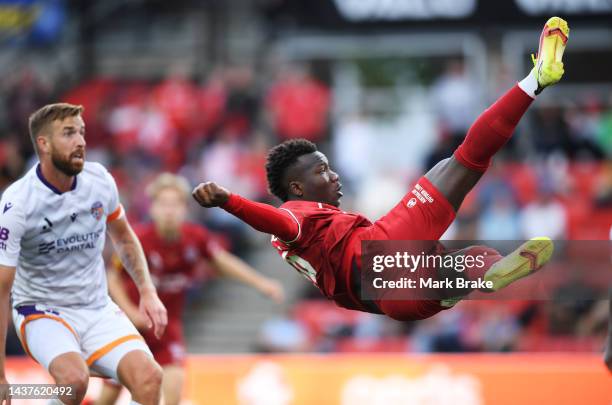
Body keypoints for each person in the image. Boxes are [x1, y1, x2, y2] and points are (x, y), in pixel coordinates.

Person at [192, 17, 569, 322]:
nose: (333, 175)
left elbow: (355, 299)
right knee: (463, 160)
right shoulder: (296, 215)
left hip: (392, 302)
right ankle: (535, 80)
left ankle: (467, 280)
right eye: (321, 171)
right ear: (297, 187)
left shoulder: (307, 253)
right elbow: (273, 220)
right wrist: (229, 201)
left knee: (473, 258)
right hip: (384, 248)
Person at [0, 103, 167, 405]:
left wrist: (147, 291)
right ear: (44, 144)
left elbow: (125, 238)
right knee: (73, 383)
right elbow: (1, 290)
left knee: (150, 378)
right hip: (41, 311)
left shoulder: (99, 180)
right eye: (68, 133)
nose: (81, 141)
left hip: (96, 307)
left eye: (82, 132)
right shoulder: (18, 203)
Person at [95, 173, 284, 405]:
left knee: (173, 389)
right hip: (129, 328)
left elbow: (222, 261)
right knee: (109, 395)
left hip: (167, 329)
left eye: (175, 204)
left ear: (185, 209)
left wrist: (261, 283)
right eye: (163, 204)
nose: (169, 211)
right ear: (153, 208)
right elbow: (113, 277)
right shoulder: (139, 240)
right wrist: (133, 314)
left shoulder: (195, 238)